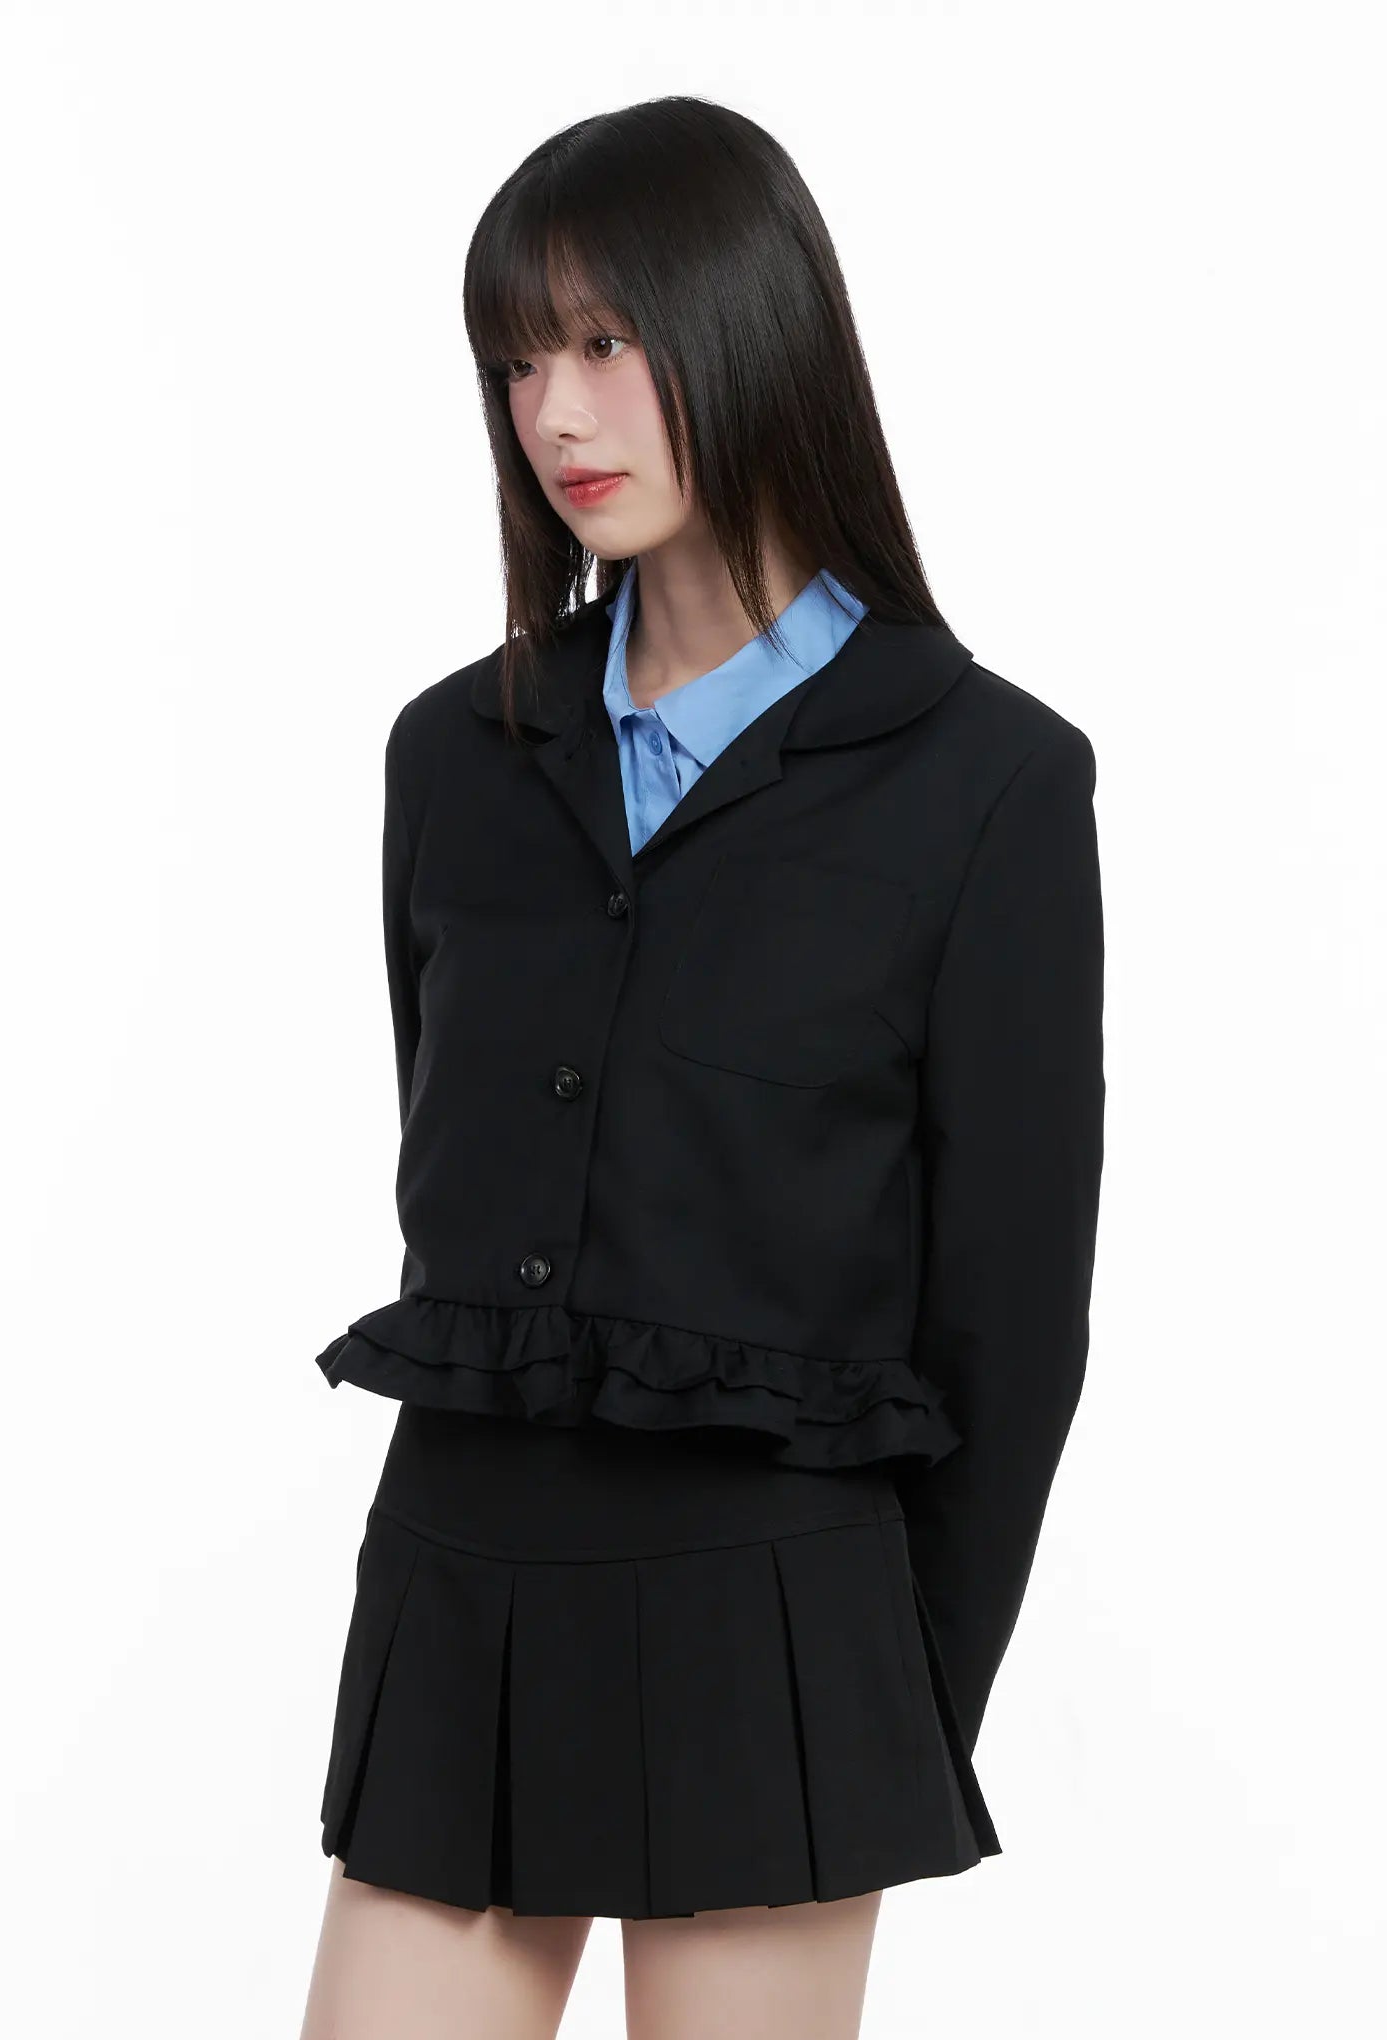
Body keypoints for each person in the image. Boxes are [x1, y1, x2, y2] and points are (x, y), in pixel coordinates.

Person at [298, 93, 1105, 2040]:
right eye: (517, 361)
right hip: (465, 1575)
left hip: (780, 1613)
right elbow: (461, 1172)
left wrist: (896, 1696)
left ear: (751, 332)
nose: (555, 415)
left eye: (604, 342)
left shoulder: (987, 782)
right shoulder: (452, 757)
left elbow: (1011, 1318)